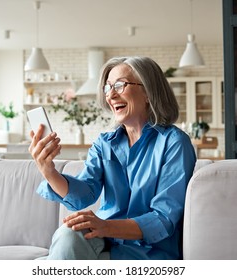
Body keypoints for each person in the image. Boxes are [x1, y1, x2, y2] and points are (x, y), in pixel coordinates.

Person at [29, 56, 197, 260]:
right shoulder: (105, 143)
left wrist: (106, 226)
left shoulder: (174, 143)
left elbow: (163, 218)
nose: (111, 95)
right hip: (104, 239)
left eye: (119, 85)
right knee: (68, 233)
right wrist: (49, 171)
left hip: (148, 251)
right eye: (108, 88)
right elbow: (84, 193)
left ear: (148, 92)